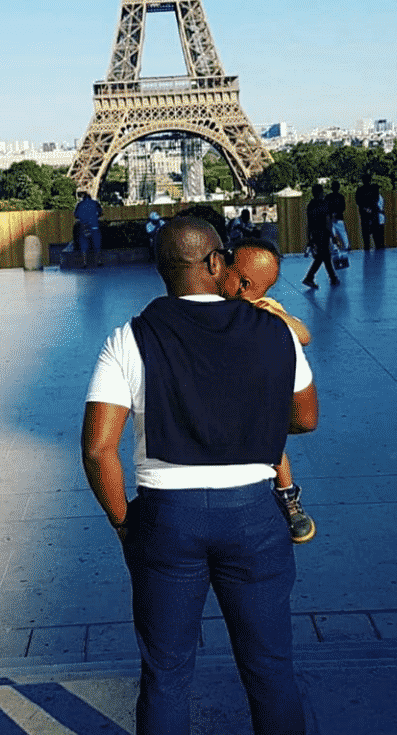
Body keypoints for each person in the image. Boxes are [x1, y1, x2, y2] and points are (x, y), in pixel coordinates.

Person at [82, 216, 317, 735]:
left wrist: (124, 524)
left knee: (165, 676)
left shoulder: (129, 338)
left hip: (168, 520)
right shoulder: (274, 331)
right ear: (215, 263)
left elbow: (99, 448)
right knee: (272, 671)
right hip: (254, 515)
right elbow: (305, 417)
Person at [219, 237, 316, 543]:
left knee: (273, 445)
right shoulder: (214, 305)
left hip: (252, 397)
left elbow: (303, 335)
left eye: (227, 265)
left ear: (242, 283)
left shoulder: (267, 310)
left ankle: (287, 497)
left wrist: (279, 317)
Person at [302, 183, 340, 288]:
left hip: (315, 234)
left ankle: (332, 278)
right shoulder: (324, 204)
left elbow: (309, 223)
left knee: (324, 256)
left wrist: (309, 237)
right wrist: (333, 236)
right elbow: (328, 221)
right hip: (324, 233)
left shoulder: (311, 205)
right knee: (323, 256)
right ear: (321, 192)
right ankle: (311, 277)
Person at [355, 173, 385, 250]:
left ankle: (377, 250)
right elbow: (358, 202)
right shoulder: (361, 190)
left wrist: (369, 209)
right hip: (367, 214)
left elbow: (376, 199)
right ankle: (371, 250)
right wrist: (367, 209)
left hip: (372, 214)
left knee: (375, 235)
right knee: (367, 236)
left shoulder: (373, 188)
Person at [74, 191, 103, 267]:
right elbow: (100, 212)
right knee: (97, 244)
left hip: (84, 226)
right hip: (94, 226)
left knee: (84, 245)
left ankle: (84, 263)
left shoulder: (79, 204)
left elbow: (76, 215)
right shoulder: (95, 203)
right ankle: (98, 261)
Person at [325, 180, 350, 252]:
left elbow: (327, 208)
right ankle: (345, 245)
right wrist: (335, 213)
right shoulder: (340, 197)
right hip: (337, 218)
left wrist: (332, 214)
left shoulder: (328, 197)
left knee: (333, 233)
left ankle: (337, 247)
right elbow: (343, 208)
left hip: (334, 219)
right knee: (341, 233)